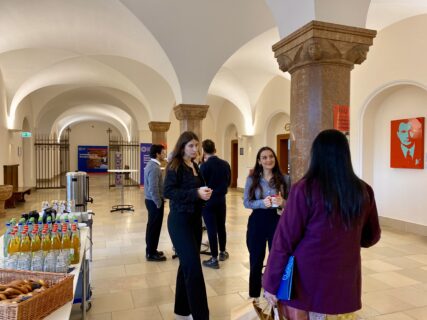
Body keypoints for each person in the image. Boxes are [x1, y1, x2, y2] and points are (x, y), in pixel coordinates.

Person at [263, 129, 381, 319]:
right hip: (343, 280)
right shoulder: (363, 190)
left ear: (316, 155)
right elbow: (371, 237)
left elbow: (284, 240)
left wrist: (271, 283)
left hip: (306, 282)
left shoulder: (304, 189)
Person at [164, 131, 212, 320]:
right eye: (191, 145)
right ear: (182, 146)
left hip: (194, 221)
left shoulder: (195, 166)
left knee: (186, 265)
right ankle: (201, 316)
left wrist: (205, 194)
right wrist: (195, 194)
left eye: (196, 145)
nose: (195, 149)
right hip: (179, 221)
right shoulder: (174, 166)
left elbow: (197, 191)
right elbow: (168, 191)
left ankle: (182, 310)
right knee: (193, 268)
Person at [243, 146, 289, 300]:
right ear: (259, 161)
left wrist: (282, 202)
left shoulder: (285, 179)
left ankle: (274, 293)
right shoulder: (252, 179)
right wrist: (262, 203)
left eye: (271, 156)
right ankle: (254, 295)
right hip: (257, 222)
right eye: (264, 157)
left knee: (276, 259)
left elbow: (292, 205)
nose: (268, 160)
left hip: (277, 222)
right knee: (256, 259)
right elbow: (246, 202)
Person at [200, 139, 231, 269]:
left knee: (211, 229)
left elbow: (201, 184)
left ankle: (214, 258)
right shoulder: (225, 164)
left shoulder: (204, 166)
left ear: (204, 150)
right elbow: (228, 182)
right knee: (221, 226)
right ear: (215, 149)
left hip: (208, 201)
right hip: (221, 199)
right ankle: (222, 252)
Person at [144, 144, 167, 262]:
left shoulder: (152, 165)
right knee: (154, 227)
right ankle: (151, 253)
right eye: (163, 152)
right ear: (157, 154)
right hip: (154, 202)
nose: (164, 154)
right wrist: (158, 202)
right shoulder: (154, 167)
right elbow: (153, 188)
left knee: (152, 226)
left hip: (151, 201)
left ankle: (151, 249)